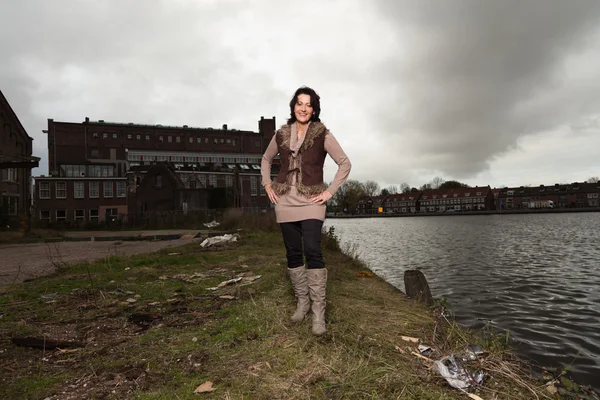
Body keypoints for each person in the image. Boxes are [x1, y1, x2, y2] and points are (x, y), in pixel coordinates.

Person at [260, 86, 351, 335]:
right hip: (285, 201)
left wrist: (330, 192)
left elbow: (344, 163)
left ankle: (318, 313)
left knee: (313, 250)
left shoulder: (322, 134)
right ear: (293, 107)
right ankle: (303, 303)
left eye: (308, 104)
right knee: (292, 253)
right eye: (299, 103)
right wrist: (268, 184)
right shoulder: (281, 133)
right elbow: (266, 159)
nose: (303, 108)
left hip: (312, 201)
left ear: (314, 108)